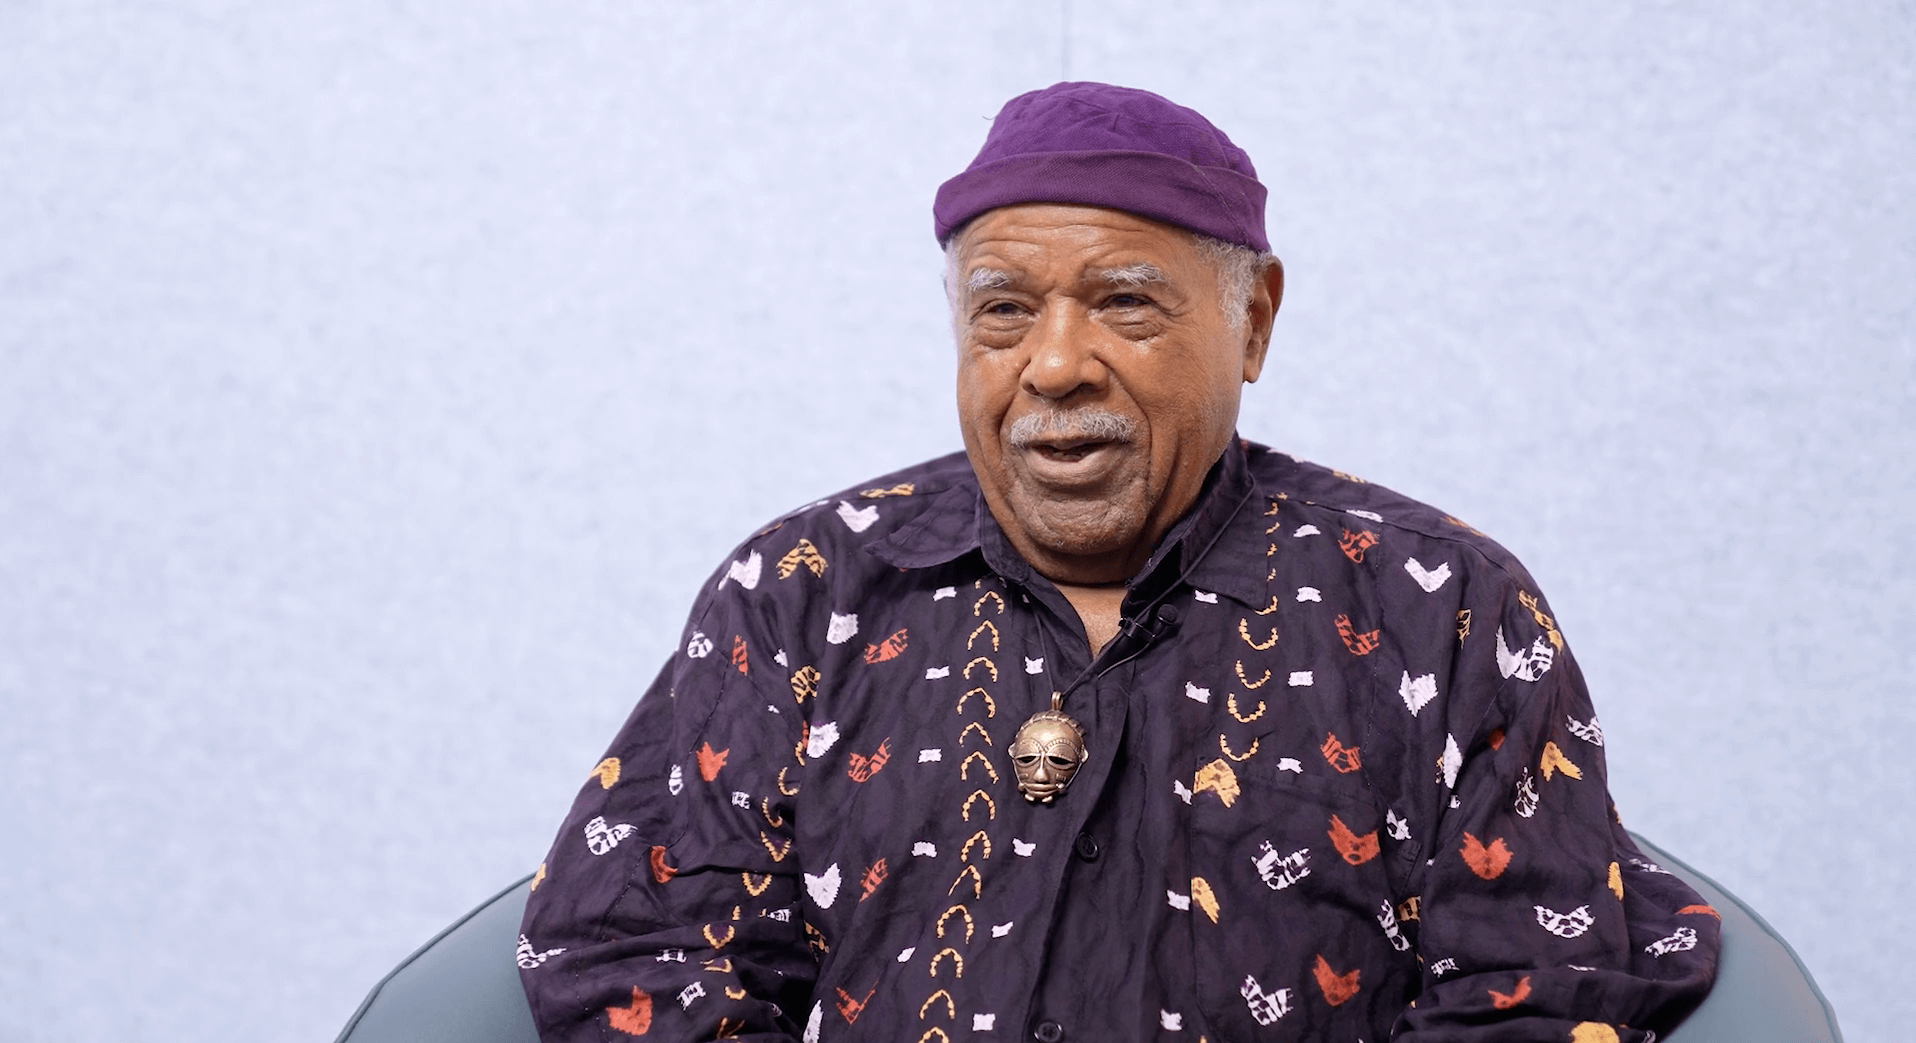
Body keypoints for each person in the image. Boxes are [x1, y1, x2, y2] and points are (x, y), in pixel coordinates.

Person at [517, 82, 1718, 1043]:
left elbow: (1535, 991)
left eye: (1124, 306)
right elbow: (634, 947)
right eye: (1001, 313)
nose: (1052, 366)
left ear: (1251, 323)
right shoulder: (799, 594)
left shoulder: (1440, 611)